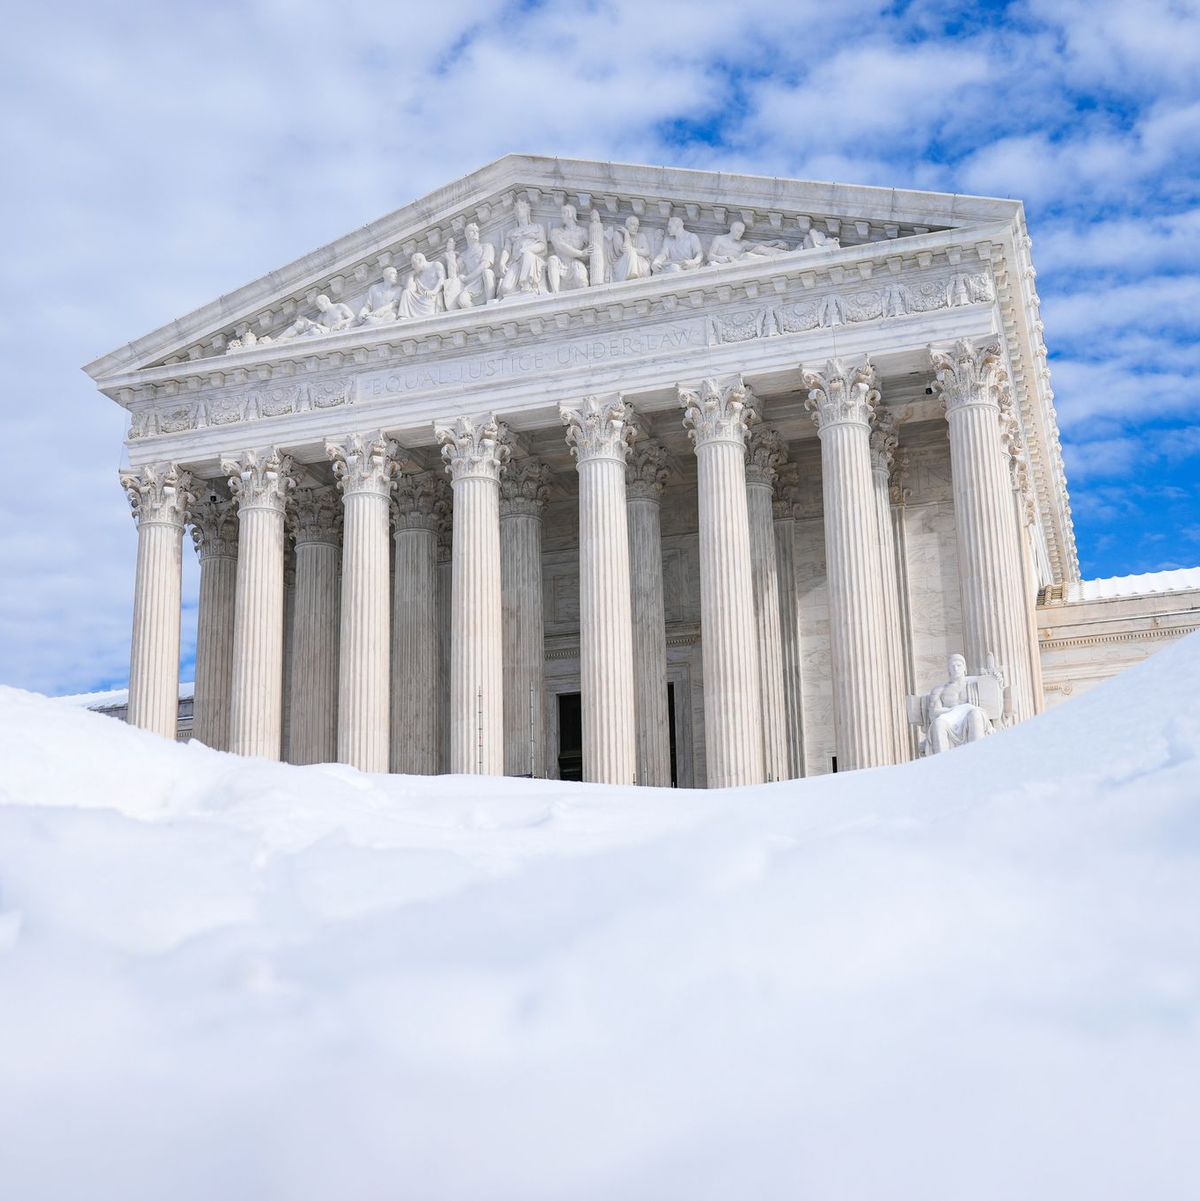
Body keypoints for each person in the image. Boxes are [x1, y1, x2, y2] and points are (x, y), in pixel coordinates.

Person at [925, 653, 991, 753]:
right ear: (949, 670)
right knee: (938, 724)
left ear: (964, 668)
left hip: (970, 719)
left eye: (958, 665)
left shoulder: (975, 685)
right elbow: (933, 713)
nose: (955, 668)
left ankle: (978, 754)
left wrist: (997, 679)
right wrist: (954, 711)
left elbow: (992, 691)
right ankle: (942, 760)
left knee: (975, 714)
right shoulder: (939, 690)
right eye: (952, 666)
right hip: (949, 721)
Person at [497, 197, 548, 299]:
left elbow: (542, 245)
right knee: (505, 289)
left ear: (528, 211)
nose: (519, 210)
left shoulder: (537, 227)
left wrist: (527, 250)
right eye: (517, 209)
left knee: (527, 255)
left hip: (533, 259)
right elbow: (507, 249)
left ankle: (527, 286)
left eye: (522, 207)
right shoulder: (511, 232)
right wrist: (502, 262)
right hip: (516, 261)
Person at [445, 223, 495, 309]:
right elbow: (453, 273)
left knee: (487, 272)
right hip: (471, 286)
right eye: (472, 231)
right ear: (466, 235)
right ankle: (478, 313)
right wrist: (450, 253)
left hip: (484, 281)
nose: (475, 233)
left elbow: (484, 265)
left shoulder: (486, 247)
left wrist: (466, 278)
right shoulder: (464, 255)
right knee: (461, 300)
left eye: (477, 231)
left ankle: (490, 305)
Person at [707, 219, 792, 265]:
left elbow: (759, 244)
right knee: (747, 256)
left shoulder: (742, 243)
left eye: (742, 232)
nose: (740, 234)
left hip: (739, 261)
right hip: (727, 263)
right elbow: (710, 256)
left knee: (759, 248)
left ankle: (786, 255)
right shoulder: (719, 239)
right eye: (738, 230)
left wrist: (776, 241)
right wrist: (719, 258)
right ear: (731, 228)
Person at [547, 204, 591, 292]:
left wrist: (585, 255)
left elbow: (590, 250)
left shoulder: (583, 232)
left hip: (574, 264)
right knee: (552, 259)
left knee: (582, 282)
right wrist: (581, 253)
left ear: (570, 214)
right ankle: (555, 293)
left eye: (563, 213)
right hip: (560, 264)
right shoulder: (556, 232)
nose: (561, 216)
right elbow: (562, 247)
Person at [276, 293, 354, 341]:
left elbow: (352, 317)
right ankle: (277, 339)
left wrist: (341, 322)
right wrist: (305, 321)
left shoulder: (340, 306)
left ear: (326, 302)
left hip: (333, 331)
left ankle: (292, 340)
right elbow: (315, 325)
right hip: (326, 330)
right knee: (299, 323)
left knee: (314, 332)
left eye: (320, 305)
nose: (319, 308)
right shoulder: (321, 315)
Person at [395, 252, 447, 321]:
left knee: (427, 297)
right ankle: (404, 316)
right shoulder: (418, 276)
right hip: (422, 297)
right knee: (406, 292)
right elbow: (410, 289)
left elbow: (442, 279)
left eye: (414, 263)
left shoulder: (435, 265)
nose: (412, 266)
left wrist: (434, 291)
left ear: (419, 261)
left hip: (432, 296)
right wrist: (411, 275)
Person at [610, 214, 651, 282]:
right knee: (631, 253)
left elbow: (647, 252)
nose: (635, 227)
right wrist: (626, 234)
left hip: (639, 261)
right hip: (622, 264)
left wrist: (633, 249)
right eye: (633, 224)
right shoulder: (617, 234)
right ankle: (632, 274)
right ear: (626, 225)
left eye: (637, 225)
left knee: (643, 262)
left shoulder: (641, 236)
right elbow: (623, 251)